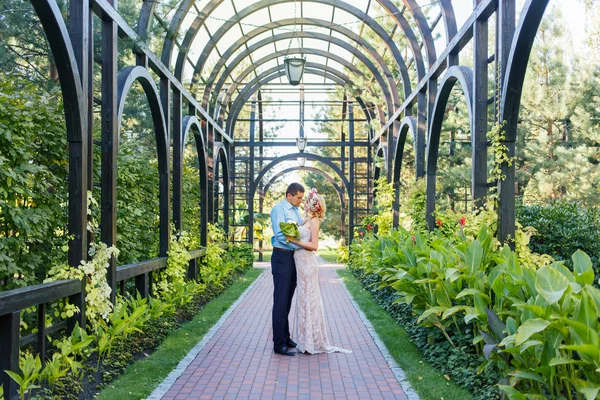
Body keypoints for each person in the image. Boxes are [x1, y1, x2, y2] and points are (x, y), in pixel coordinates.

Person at [285, 188, 351, 355]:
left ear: (313, 205)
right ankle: (306, 340)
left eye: (307, 201)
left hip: (307, 263)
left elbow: (314, 246)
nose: (304, 203)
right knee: (304, 299)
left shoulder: (314, 222)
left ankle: (312, 341)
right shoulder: (307, 220)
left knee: (309, 299)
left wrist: (295, 240)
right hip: (300, 263)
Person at [270, 182, 305, 356]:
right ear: (289, 195)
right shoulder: (279, 210)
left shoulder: (296, 211)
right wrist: (300, 244)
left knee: (287, 300)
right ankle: (279, 344)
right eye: (298, 197)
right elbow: (279, 235)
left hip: (292, 258)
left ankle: (286, 337)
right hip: (282, 256)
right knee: (281, 300)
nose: (301, 200)